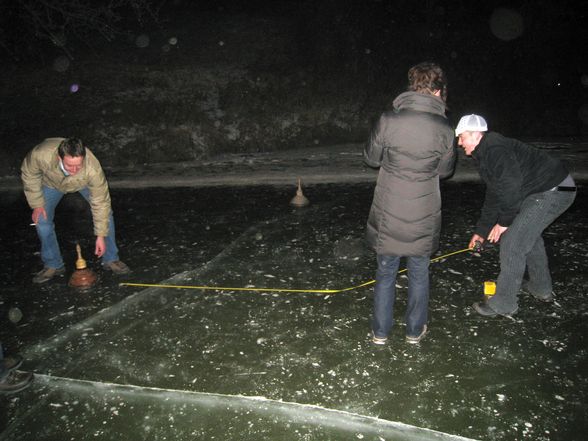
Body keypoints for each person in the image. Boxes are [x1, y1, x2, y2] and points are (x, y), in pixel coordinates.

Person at [364, 62, 456, 345]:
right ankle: (414, 331)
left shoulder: (388, 119)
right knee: (418, 273)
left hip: (389, 210)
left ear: (411, 87)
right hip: (423, 212)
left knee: (386, 270)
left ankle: (380, 332)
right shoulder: (444, 128)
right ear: (438, 91)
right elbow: (445, 171)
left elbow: (371, 159)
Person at [455, 114, 576, 317]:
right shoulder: (485, 153)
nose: (459, 143)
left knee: (512, 241)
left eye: (461, 137)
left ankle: (504, 304)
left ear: (475, 135)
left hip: (554, 190)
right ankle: (541, 288)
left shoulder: (495, 150)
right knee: (528, 236)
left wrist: (504, 223)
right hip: (543, 190)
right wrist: (481, 231)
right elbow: (494, 193)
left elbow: (510, 188)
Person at [21, 137, 131, 283]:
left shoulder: (92, 168)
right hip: (52, 183)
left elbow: (101, 204)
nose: (73, 170)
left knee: (107, 214)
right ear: (59, 157)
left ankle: (111, 258)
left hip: (82, 183)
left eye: (78, 166)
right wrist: (37, 204)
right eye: (69, 166)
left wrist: (100, 236)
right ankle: (53, 264)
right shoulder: (40, 155)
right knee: (41, 219)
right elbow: (29, 174)